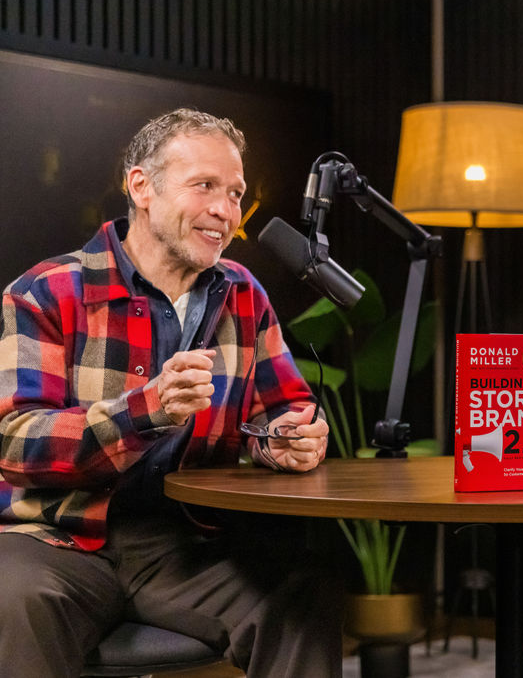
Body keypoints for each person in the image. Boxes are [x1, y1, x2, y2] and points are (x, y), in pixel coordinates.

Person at [0, 109, 343, 676]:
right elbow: (15, 443)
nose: (225, 210)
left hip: (182, 545)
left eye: (234, 194)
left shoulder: (242, 294)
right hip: (50, 537)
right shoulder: (46, 291)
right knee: (14, 600)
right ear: (142, 187)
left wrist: (283, 439)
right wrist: (145, 411)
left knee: (304, 594)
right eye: (205, 186)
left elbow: (282, 407)